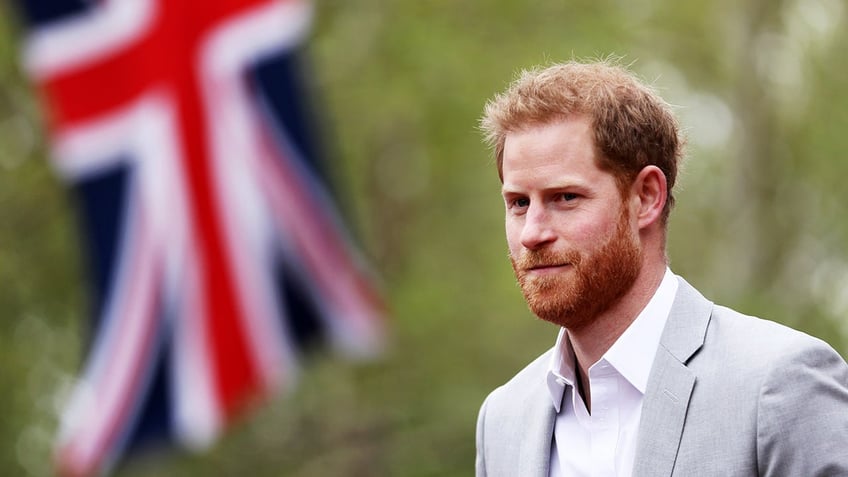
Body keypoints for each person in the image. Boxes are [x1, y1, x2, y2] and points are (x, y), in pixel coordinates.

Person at [474, 59, 848, 477]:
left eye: (565, 197)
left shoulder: (779, 386)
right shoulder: (502, 421)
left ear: (647, 198)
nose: (532, 233)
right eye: (519, 203)